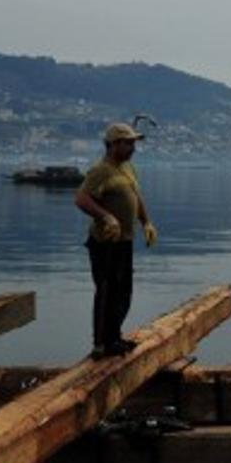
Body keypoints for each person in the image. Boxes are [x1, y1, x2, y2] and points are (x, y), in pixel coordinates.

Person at [74, 122, 158, 358]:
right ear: (113, 145)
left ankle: (115, 337)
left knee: (124, 291)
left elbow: (135, 195)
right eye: (128, 143)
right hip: (104, 242)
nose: (133, 148)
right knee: (106, 290)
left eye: (134, 143)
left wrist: (146, 222)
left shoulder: (128, 168)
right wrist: (106, 216)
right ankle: (100, 344)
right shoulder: (101, 170)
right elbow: (81, 199)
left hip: (125, 240)